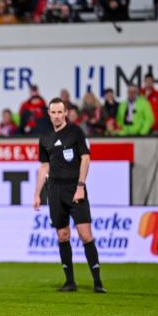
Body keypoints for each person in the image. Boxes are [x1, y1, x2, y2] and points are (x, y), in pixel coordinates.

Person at [33, 98, 105, 293]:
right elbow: (44, 166)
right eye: (53, 112)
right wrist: (37, 193)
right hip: (54, 191)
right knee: (63, 235)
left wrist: (81, 185)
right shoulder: (45, 138)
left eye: (59, 112)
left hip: (74, 189)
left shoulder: (75, 132)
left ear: (65, 113)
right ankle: (70, 282)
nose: (56, 115)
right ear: (49, 113)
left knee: (85, 234)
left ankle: (97, 282)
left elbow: (85, 158)